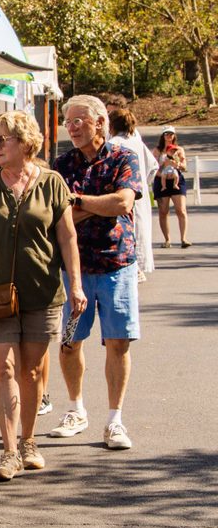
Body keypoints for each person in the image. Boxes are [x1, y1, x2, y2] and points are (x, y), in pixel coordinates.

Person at [0, 111, 85, 481]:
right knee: (4, 367)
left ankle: (29, 442)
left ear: (25, 143)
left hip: (42, 291)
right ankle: (9, 450)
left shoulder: (53, 184)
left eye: (1, 139)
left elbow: (67, 238)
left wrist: (76, 283)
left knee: (32, 370)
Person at [50, 95, 142, 450]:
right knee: (70, 342)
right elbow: (61, 217)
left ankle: (115, 420)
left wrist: (80, 201)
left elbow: (123, 202)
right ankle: (76, 409)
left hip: (117, 266)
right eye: (68, 122)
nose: (71, 128)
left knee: (118, 342)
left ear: (100, 122)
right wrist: (97, 205)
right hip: (75, 270)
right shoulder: (62, 164)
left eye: (78, 121)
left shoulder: (124, 157)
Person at [108, 109, 159, 279]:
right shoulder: (136, 140)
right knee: (140, 229)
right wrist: (143, 182)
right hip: (140, 192)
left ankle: (133, 268)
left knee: (127, 229)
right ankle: (138, 267)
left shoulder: (114, 143)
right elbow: (153, 166)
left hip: (123, 193)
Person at [152, 127, 191, 248]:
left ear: (174, 136)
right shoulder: (158, 151)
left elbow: (185, 166)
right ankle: (167, 239)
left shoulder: (179, 150)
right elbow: (153, 168)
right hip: (162, 181)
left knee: (181, 210)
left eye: (171, 134)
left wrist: (178, 164)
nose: (169, 136)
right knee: (163, 211)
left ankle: (183, 238)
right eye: (166, 134)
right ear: (163, 136)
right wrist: (162, 174)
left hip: (176, 180)